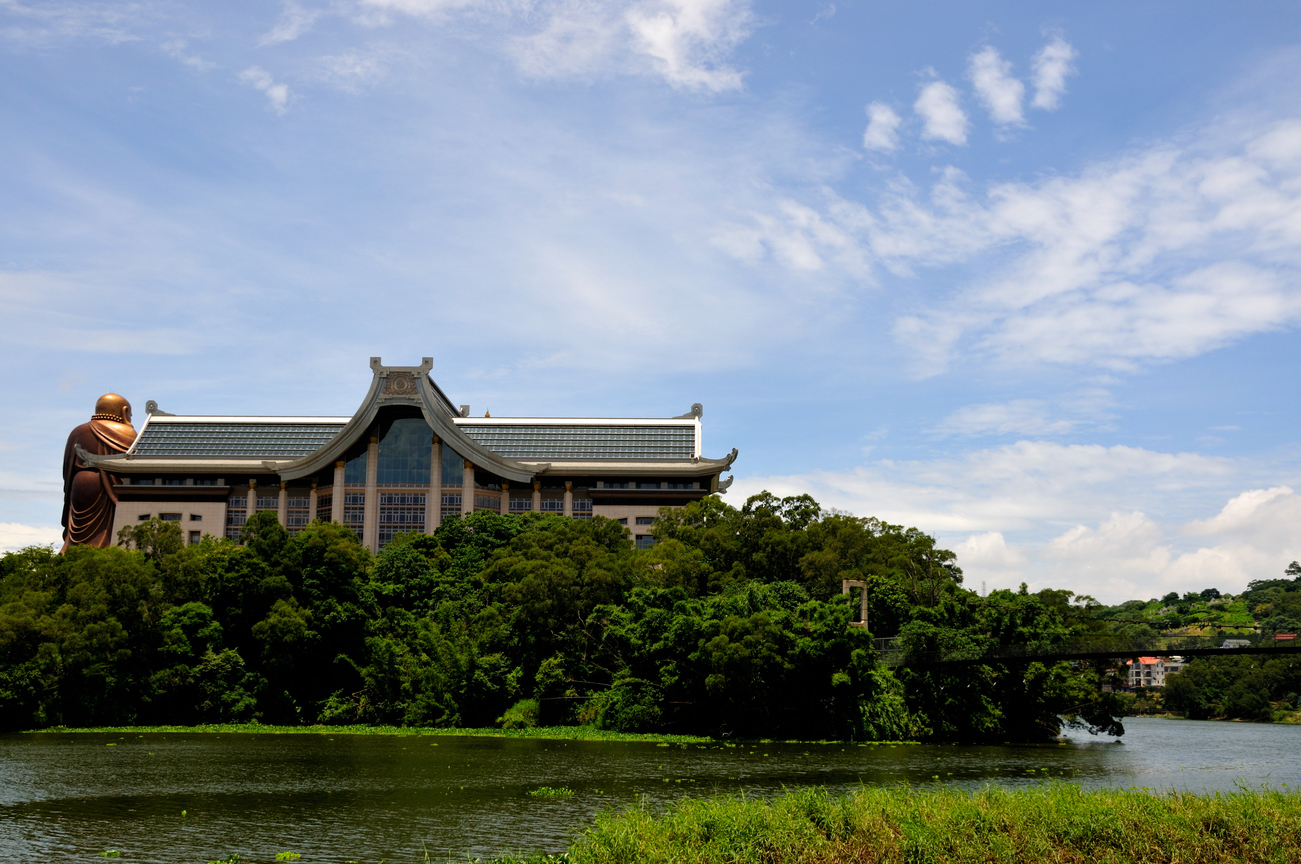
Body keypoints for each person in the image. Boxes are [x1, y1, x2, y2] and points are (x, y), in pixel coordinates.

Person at [61, 394, 137, 552]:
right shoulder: (129, 433)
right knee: (108, 532)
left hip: (80, 483)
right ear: (124, 411)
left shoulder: (78, 431)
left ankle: (72, 552)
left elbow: (67, 468)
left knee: (77, 534)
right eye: (130, 413)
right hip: (112, 485)